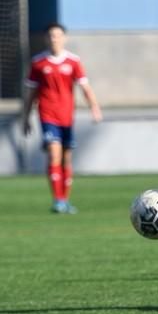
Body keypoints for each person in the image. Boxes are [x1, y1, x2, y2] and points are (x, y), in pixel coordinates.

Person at [21, 23, 102, 214]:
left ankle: (65, 200)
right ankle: (57, 200)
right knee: (54, 154)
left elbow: (85, 88)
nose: (54, 39)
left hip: (67, 117)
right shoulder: (39, 63)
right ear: (46, 39)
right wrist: (26, 117)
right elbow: (31, 93)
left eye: (57, 35)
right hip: (48, 115)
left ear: (64, 38)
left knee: (66, 159)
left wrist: (95, 108)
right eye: (50, 36)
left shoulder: (73, 61)